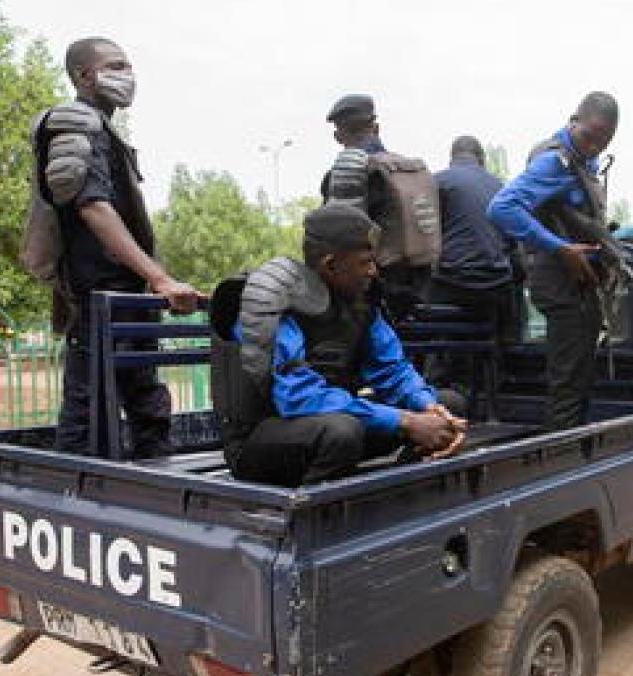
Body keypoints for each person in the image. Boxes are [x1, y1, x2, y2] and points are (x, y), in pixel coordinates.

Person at [220, 204, 467, 487]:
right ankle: (312, 517)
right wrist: (406, 421)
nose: (373, 271)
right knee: (341, 432)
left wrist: (428, 408)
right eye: (365, 262)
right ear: (330, 265)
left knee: (449, 405)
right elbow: (299, 398)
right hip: (265, 439)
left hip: (335, 424)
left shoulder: (360, 305)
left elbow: (393, 371)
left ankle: (405, 496)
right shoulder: (274, 305)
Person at [34, 37, 199, 458]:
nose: (127, 76)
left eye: (128, 66)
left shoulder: (104, 131)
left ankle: (154, 503)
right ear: (84, 75)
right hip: (99, 297)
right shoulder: (74, 124)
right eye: (116, 65)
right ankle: (73, 503)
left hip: (127, 295)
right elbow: (93, 208)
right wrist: (159, 277)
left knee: (148, 405)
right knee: (87, 414)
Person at [487, 91, 619, 431]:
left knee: (577, 379)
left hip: (576, 283)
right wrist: (560, 248)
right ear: (573, 120)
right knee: (568, 383)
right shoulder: (553, 161)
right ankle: (563, 459)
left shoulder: (582, 162)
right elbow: (500, 208)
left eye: (603, 143)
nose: (593, 147)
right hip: (560, 283)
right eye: (589, 137)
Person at [320, 94, 440, 317]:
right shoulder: (411, 169)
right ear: (376, 128)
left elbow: (330, 239)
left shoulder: (348, 174)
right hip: (422, 293)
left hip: (373, 296)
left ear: (337, 136)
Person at [430, 135, 522, 342]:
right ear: (482, 159)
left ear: (452, 159)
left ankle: (435, 365)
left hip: (451, 285)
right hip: (495, 286)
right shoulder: (500, 187)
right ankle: (508, 353)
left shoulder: (437, 181)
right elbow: (511, 244)